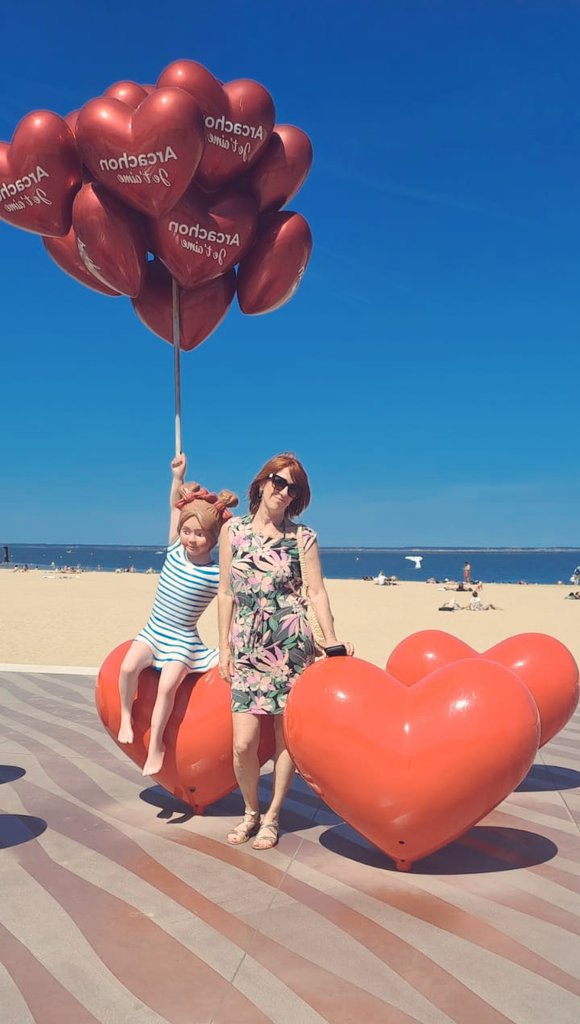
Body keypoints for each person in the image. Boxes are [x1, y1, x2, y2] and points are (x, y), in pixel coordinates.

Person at [218, 453, 354, 851]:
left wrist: (330, 639)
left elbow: (316, 592)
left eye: (292, 487)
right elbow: (225, 593)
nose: (283, 491)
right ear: (261, 483)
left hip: (291, 646)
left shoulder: (302, 538)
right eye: (278, 481)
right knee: (243, 742)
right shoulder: (233, 532)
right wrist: (223, 645)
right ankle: (250, 811)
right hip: (247, 645)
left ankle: (272, 816)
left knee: (284, 740)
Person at [117, 453, 238, 776]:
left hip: (182, 640)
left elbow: (233, 599)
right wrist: (177, 478)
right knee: (128, 666)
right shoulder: (173, 550)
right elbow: (173, 508)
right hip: (154, 631)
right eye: (188, 532)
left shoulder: (216, 574)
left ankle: (156, 743)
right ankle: (126, 717)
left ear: (213, 540)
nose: (191, 539)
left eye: (200, 535)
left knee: (168, 685)